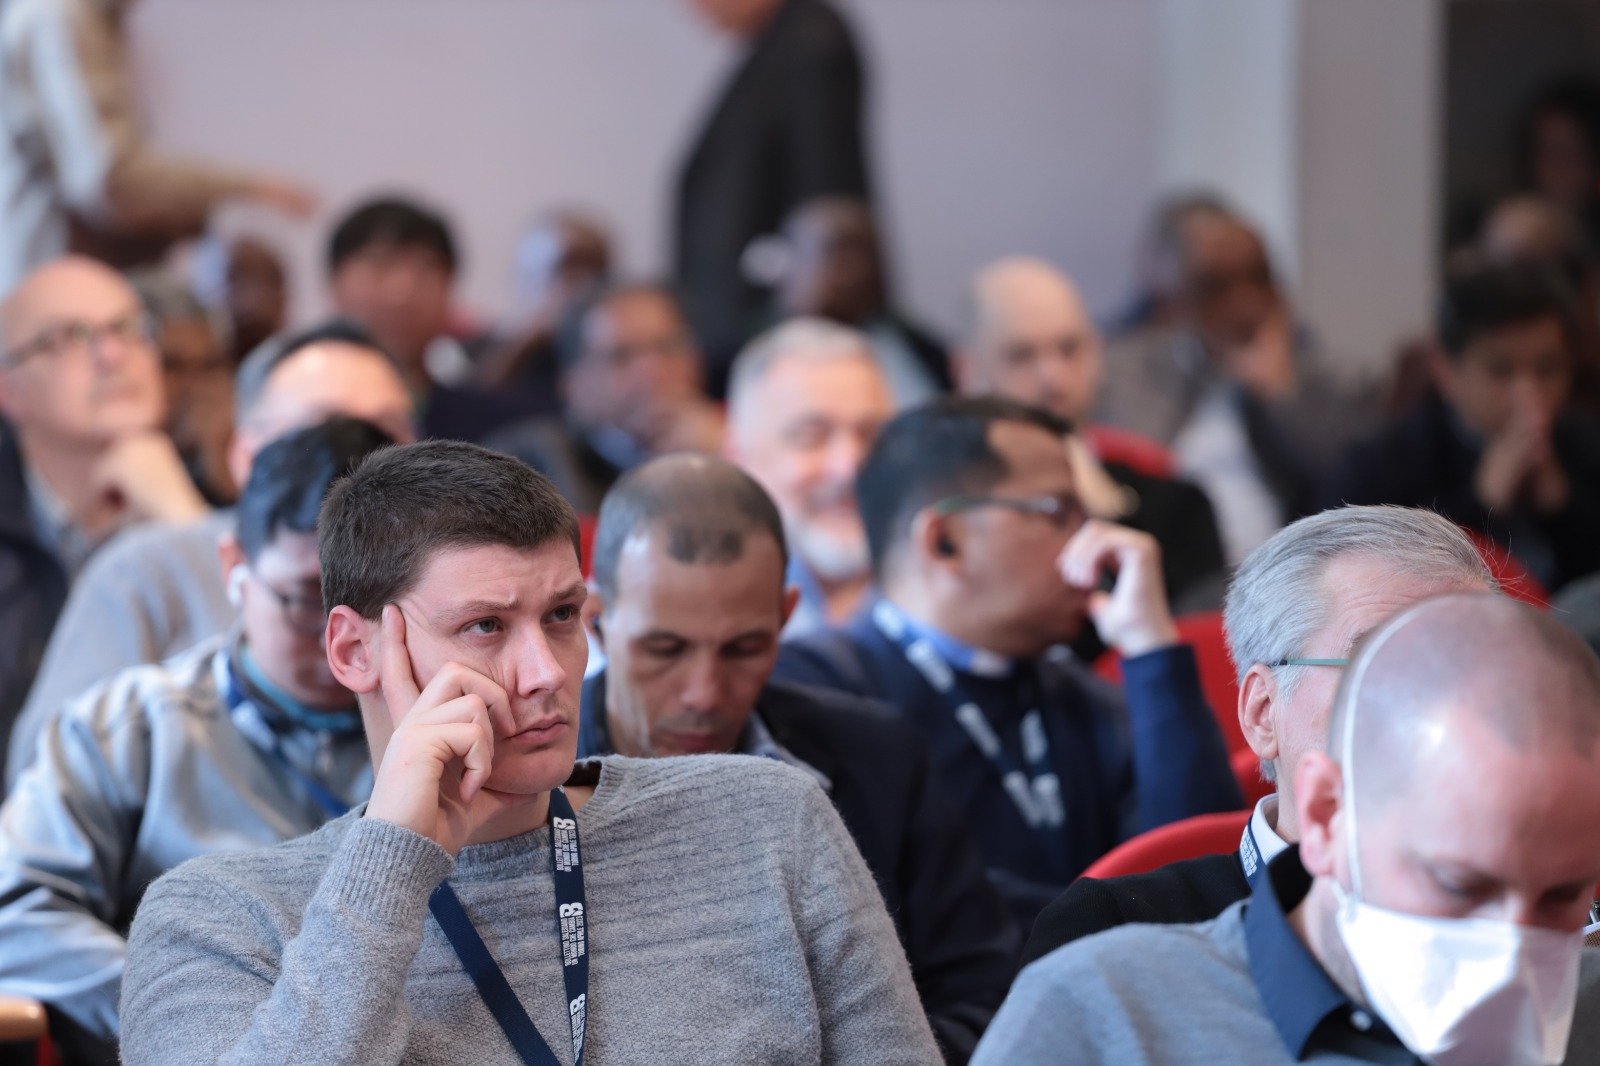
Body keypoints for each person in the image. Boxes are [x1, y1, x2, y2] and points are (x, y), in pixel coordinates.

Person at [119, 440, 941, 1064]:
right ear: (354, 651)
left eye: (561, 616)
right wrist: (392, 858)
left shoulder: (766, 818)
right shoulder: (219, 918)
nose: (547, 672)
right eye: (485, 626)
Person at [975, 593, 1600, 1065]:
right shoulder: (1106, 1010)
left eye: (1562, 897)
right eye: (1461, 887)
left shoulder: (1588, 1010)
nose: (1513, 949)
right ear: (1325, 816)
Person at [577, 453, 1016, 1063]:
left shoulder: (881, 760)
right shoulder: (525, 787)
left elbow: (984, 998)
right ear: (596, 622)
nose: (704, 693)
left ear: (785, 617)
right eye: (665, 649)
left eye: (744, 648)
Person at [0, 417, 390, 1063]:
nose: (340, 640)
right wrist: (185, 1004)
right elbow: (13, 908)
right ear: (235, 567)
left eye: (375, 607)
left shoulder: (458, 733)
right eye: (306, 601)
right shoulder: (129, 729)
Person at [774, 397, 1242, 926]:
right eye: (1058, 513)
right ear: (945, 541)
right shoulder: (816, 691)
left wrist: (1152, 649)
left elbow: (1206, 884)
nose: (1094, 544)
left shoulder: (1078, 693)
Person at [1022, 505, 1499, 964]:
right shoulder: (1115, 941)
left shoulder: (1535, 906)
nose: (1443, 705)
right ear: (1264, 713)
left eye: (1473, 665)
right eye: (1383, 662)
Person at [7, 319, 416, 784]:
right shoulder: (147, 572)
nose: (354, 460)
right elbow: (45, 772)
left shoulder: (440, 572)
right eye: (318, 430)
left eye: (386, 432)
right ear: (243, 455)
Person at [0, 257, 210, 751]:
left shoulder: (221, 496)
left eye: (130, 329)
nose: (113, 355)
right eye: (69, 337)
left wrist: (185, 522)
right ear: (8, 390)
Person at [1098, 200, 1372, 564]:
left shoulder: (1318, 372)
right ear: (1175, 300)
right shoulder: (1129, 369)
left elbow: (1350, 492)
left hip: (1287, 571)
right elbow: (1130, 481)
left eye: (1259, 279)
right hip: (1173, 569)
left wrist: (1278, 395)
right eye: (1215, 286)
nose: (1245, 302)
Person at [959, 257, 1227, 612]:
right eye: (1020, 356)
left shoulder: (1178, 508)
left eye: (1070, 348)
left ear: (1097, 353)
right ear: (967, 370)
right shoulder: (952, 523)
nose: (1053, 378)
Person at [0, 0, 313, 296]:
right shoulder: (60, 16)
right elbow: (111, 182)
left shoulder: (69, 16)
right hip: (52, 283)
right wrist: (249, 186)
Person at [1328, 259, 1600, 591]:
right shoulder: (1382, 468)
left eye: (1547, 369)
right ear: (1445, 370)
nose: (1528, 393)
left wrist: (1562, 509)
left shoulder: (1586, 449)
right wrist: (1481, 504)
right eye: (1501, 371)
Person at [676, 0, 872, 389]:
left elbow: (826, 191)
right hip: (750, 328)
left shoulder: (811, 39)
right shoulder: (779, 42)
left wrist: (810, 300)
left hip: (778, 330)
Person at [487, 283, 724, 512]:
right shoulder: (529, 462)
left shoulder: (730, 437)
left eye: (668, 347)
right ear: (573, 386)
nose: (652, 370)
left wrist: (724, 457)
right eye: (621, 356)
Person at [724, 317, 890, 635]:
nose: (849, 467)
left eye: (871, 436)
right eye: (811, 437)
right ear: (739, 458)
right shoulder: (702, 609)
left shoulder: (953, 603)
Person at [326, 197, 530, 441]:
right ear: (335, 283)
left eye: (424, 269)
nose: (402, 292)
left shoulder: (499, 427)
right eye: (380, 266)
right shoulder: (300, 414)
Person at [770, 196, 949, 406]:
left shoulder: (917, 344)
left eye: (865, 254)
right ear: (792, 261)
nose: (854, 272)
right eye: (835, 254)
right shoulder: (752, 350)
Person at [474, 211, 614, 416]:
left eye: (587, 272)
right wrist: (527, 340)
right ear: (521, 278)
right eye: (564, 272)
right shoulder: (480, 351)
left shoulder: (610, 351)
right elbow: (471, 405)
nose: (576, 288)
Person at [130, 271, 237, 506]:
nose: (193, 384)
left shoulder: (243, 450)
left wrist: (225, 471)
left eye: (209, 366)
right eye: (172, 366)